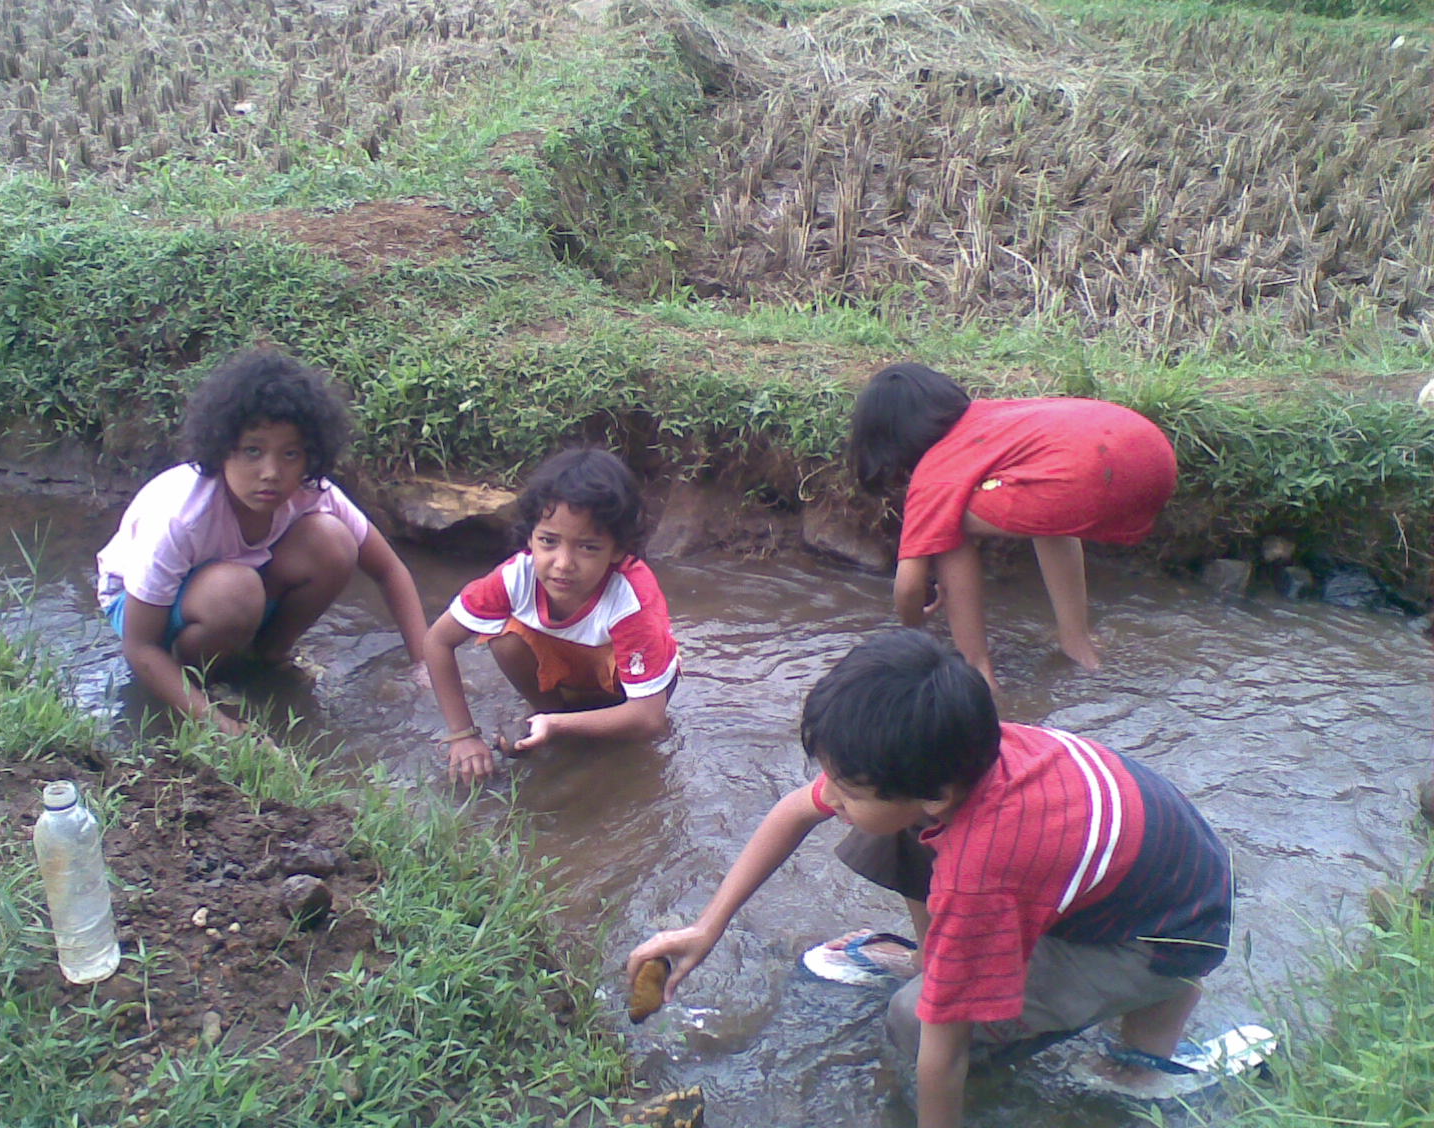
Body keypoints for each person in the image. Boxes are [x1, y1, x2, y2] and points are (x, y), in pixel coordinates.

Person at [627, 630, 1231, 1128]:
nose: (828, 794)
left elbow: (940, 1056)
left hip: (1160, 937)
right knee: (877, 825)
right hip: (1162, 885)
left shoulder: (982, 871)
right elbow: (796, 810)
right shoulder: (950, 755)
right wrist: (707, 928)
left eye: (847, 784)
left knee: (912, 1021)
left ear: (937, 795)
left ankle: (1147, 1047)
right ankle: (943, 966)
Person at [96, 349, 429, 734]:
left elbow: (389, 571)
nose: (271, 473)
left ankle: (268, 657)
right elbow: (140, 648)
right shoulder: (181, 515)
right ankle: (195, 678)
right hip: (144, 606)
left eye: (290, 454)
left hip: (238, 587)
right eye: (253, 451)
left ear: (310, 457)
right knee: (235, 590)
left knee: (333, 540)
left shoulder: (313, 493)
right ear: (222, 449)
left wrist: (425, 667)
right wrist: (220, 725)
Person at [849, 363, 1177, 693]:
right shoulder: (992, 416)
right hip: (1153, 454)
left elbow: (908, 588)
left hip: (1094, 476)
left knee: (948, 520)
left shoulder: (934, 473)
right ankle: (1079, 644)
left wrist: (914, 630)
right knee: (1038, 498)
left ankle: (978, 673)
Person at [425, 447, 680, 783]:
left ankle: (560, 724)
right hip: (570, 670)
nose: (563, 563)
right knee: (504, 639)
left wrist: (558, 727)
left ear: (618, 549)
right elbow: (437, 641)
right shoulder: (515, 576)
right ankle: (550, 716)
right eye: (548, 541)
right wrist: (463, 736)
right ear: (530, 536)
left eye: (588, 547)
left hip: (623, 688)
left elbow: (650, 719)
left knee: (632, 749)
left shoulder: (630, 597)